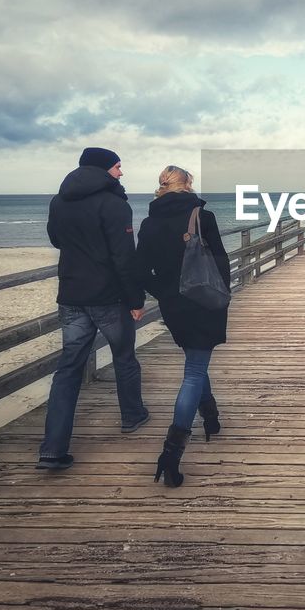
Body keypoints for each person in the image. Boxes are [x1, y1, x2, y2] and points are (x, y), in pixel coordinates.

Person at [38, 147, 149, 470]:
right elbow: (124, 257)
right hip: (109, 297)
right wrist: (136, 300)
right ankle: (132, 415)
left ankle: (52, 449)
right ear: (104, 169)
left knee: (68, 369)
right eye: (117, 167)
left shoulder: (59, 201)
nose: (121, 173)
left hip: (71, 293)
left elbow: (56, 239)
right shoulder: (114, 204)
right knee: (124, 357)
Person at [133, 165, 232, 487]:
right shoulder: (203, 217)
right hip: (204, 301)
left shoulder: (149, 223)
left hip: (174, 305)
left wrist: (164, 292)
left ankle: (212, 418)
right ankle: (171, 454)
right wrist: (224, 297)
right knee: (193, 371)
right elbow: (220, 263)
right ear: (187, 184)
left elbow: (141, 269)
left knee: (194, 361)